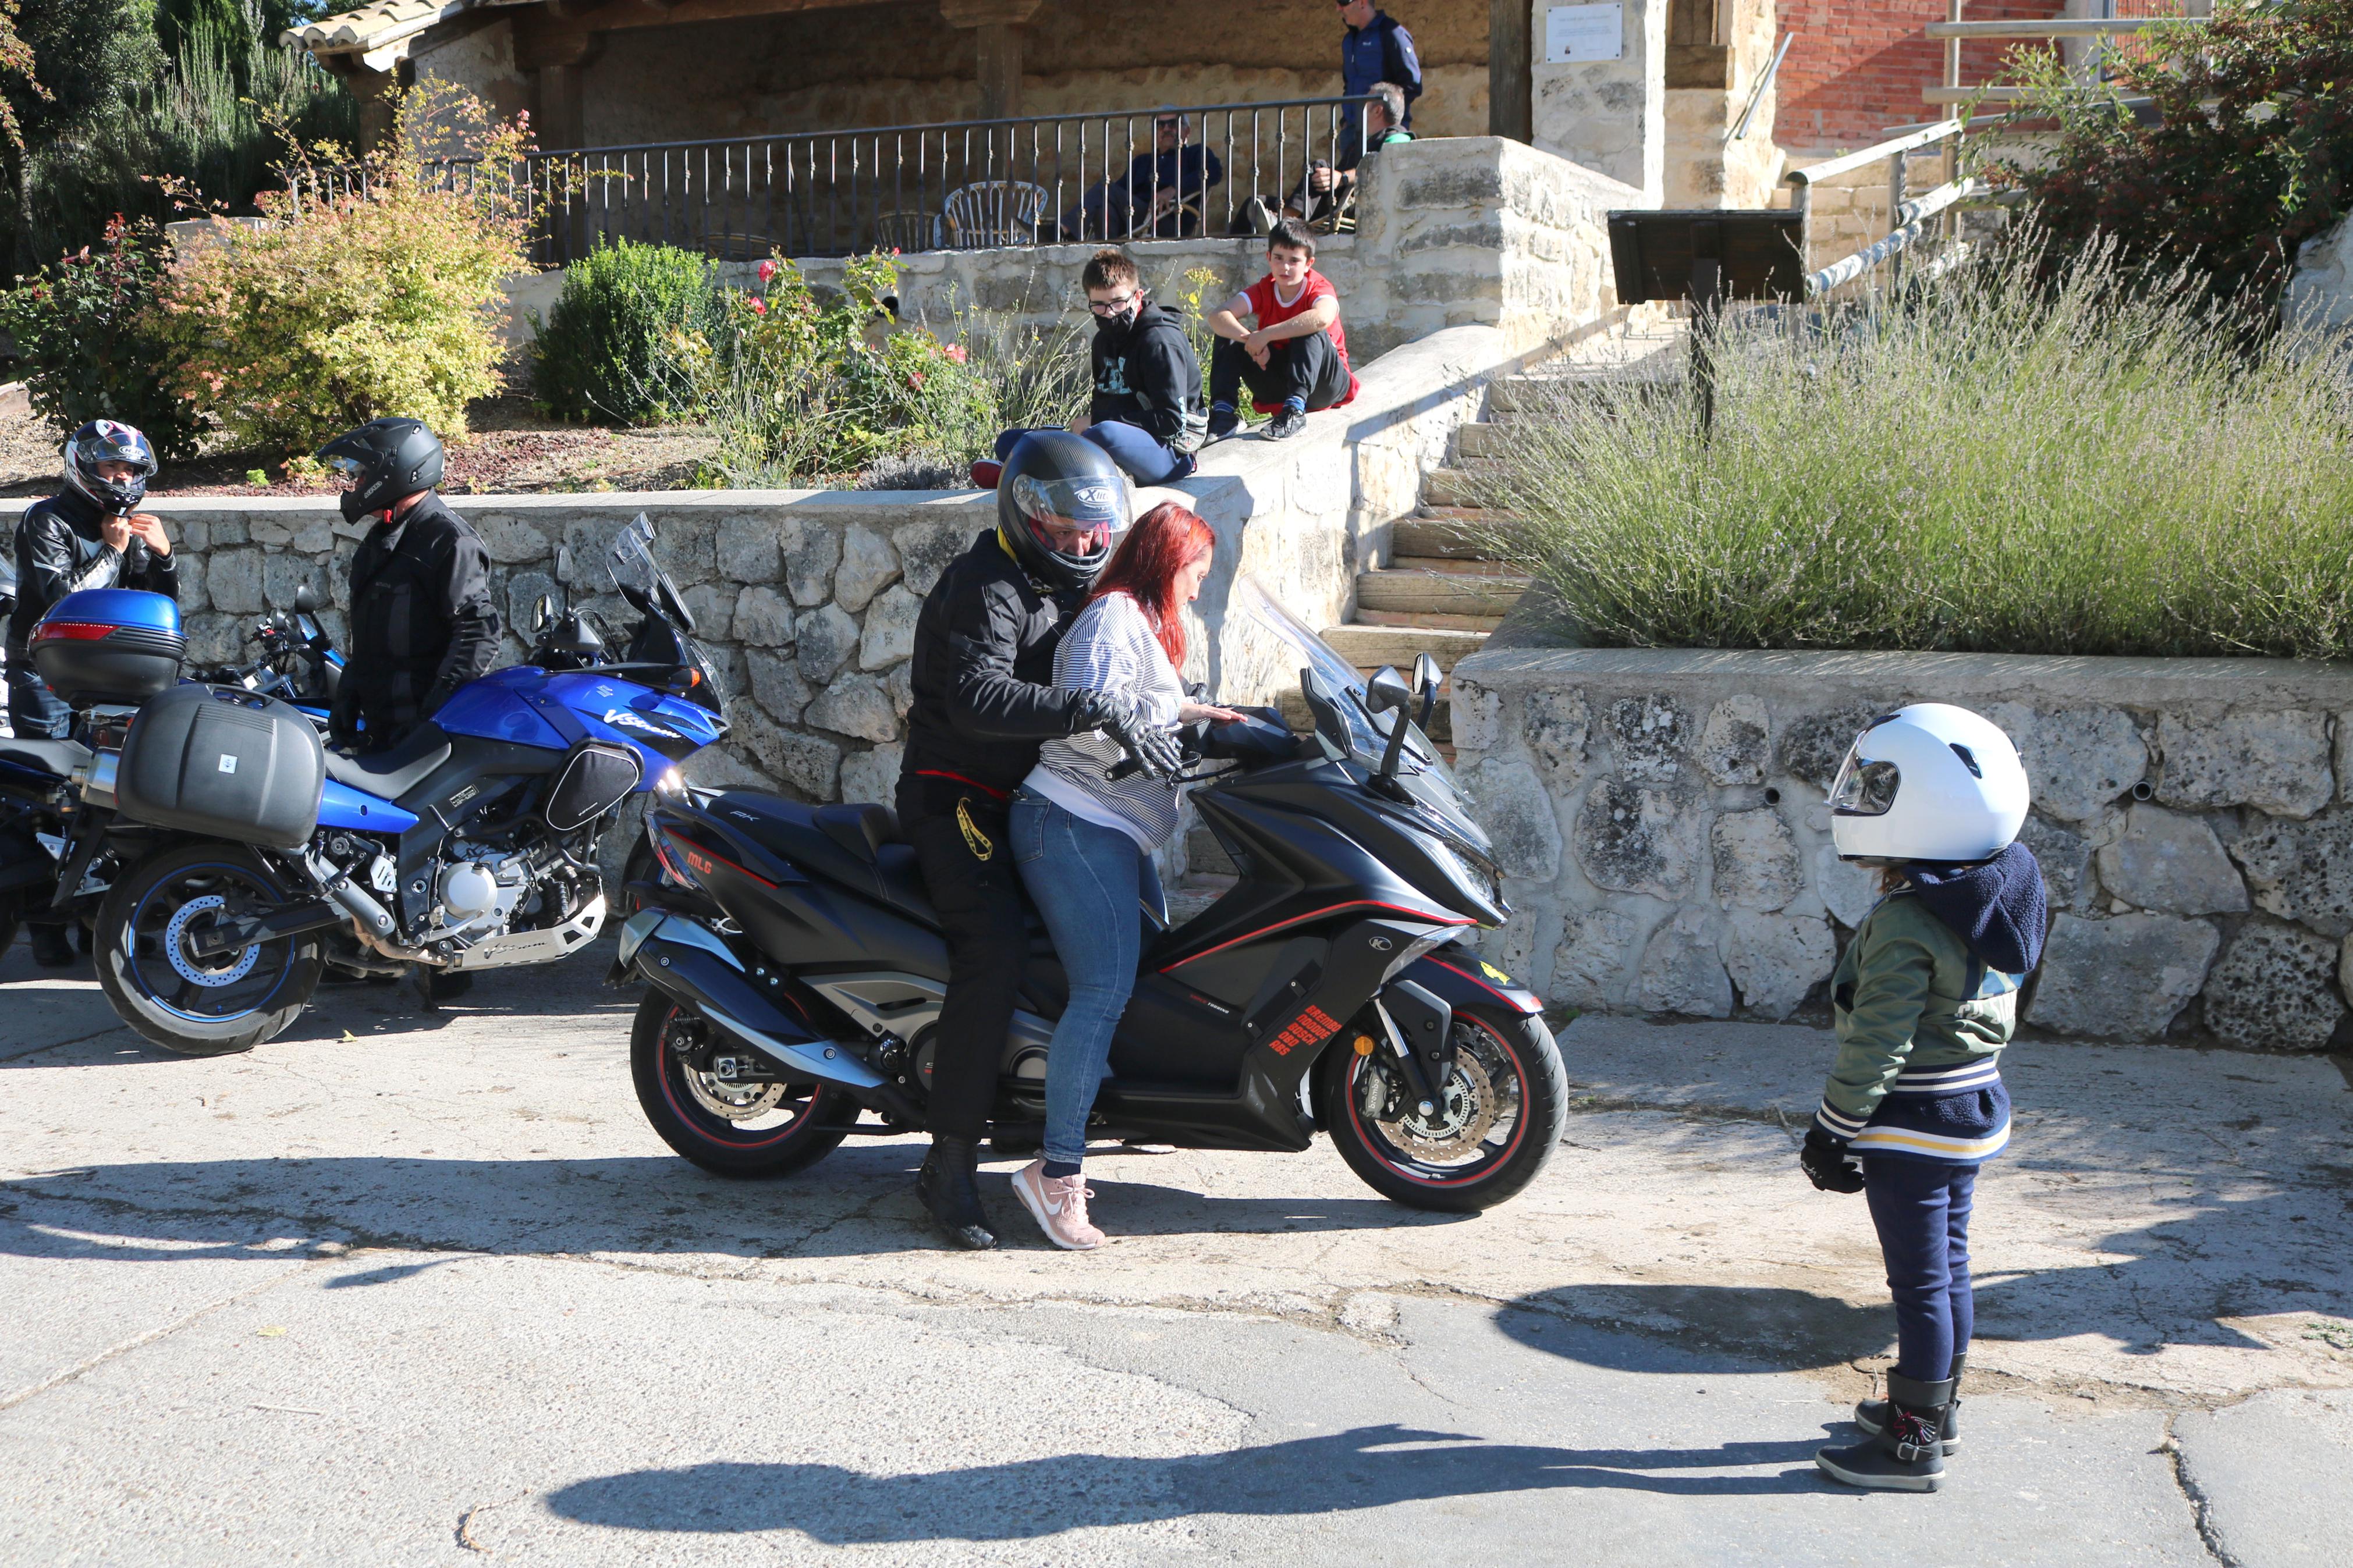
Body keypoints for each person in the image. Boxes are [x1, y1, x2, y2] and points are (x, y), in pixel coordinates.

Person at [898, 431, 1184, 1250]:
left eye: (1093, 534)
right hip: (958, 795)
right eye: (1063, 533)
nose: (1081, 547)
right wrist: (1089, 712)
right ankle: (948, 1164)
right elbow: (979, 697)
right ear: (1024, 518)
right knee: (991, 950)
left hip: (1038, 797)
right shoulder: (983, 583)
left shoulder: (1076, 587)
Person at [1801, 703, 2045, 1494]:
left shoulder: (1910, 921)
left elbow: (1879, 1044)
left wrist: (1831, 1131)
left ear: (1928, 805)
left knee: (1918, 1282)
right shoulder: (2001, 885)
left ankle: (1911, 1442)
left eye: (1879, 787)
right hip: (1969, 1108)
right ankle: (1931, 1406)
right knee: (1948, 1268)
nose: (1861, 801)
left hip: (1910, 1124)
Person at [1006, 502, 1240, 1248]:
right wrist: (1140, 734)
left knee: (1146, 971)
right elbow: (1091, 702)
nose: (1199, 590)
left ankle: (1125, 1110)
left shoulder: (1138, 621)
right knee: (1102, 988)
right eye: (1195, 574)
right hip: (1073, 821)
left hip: (1113, 830)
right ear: (1166, 562)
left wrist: (1214, 715)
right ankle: (1054, 1176)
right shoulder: (1111, 615)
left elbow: (1141, 706)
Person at [6, 420, 176, 968]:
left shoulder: (126, 525)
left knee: (117, 798)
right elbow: (62, 605)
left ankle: (105, 917)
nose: (122, 477)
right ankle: (47, 926)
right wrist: (110, 551)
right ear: (84, 466)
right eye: (111, 467)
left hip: (111, 676)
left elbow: (155, 606)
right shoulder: (46, 519)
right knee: (49, 801)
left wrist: (161, 556)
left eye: (129, 468)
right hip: (47, 675)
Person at [315, 417, 500, 753]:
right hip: (380, 731)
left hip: (424, 743)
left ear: (395, 470)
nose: (354, 485)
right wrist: (348, 692)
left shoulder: (449, 541)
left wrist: (432, 720)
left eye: (361, 475)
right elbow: (373, 634)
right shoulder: (382, 538)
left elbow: (477, 633)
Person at [977, 249, 1205, 489]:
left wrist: (1098, 421)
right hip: (1111, 441)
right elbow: (1102, 406)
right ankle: (1047, 471)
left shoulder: (1159, 342)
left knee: (1103, 435)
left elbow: (1172, 423)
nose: (1110, 314)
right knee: (1010, 441)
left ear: (1137, 297)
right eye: (1099, 307)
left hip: (1171, 452)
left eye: (1118, 303)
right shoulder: (1103, 342)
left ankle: (1034, 473)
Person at [1203, 219, 1361, 442]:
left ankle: (1295, 413)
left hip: (1325, 385)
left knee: (1308, 326)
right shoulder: (1265, 288)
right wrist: (1251, 340)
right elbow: (1217, 316)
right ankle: (1223, 414)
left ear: (1309, 263)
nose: (1285, 267)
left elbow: (1322, 317)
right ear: (1269, 258)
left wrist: (1266, 335)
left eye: (1294, 260)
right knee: (1228, 334)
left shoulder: (1319, 287)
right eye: (1278, 258)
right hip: (1281, 382)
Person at [1059, 109, 1225, 242]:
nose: (1166, 129)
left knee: (1105, 190)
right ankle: (1108, 259)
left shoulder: (1195, 153)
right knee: (1104, 206)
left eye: (1173, 124)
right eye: (1161, 125)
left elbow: (1214, 173)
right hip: (1136, 218)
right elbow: (1118, 191)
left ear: (1186, 131)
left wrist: (1173, 190)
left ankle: (1063, 231)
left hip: (1169, 220)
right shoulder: (1143, 161)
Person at [1283, 82, 1413, 230]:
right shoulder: (1362, 141)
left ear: (1377, 111)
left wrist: (1342, 178)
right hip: (1333, 203)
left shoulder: (1398, 138)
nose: (1360, 106)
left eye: (1366, 101)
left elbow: (1381, 166)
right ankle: (1282, 220)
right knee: (1255, 203)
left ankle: (1283, 224)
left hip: (1355, 206)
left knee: (1318, 167)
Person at [1339, 0, 1421, 129]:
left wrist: (1388, 118)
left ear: (1362, 3)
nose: (1339, 8)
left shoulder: (1391, 33)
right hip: (1352, 132)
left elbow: (1412, 84)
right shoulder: (1349, 40)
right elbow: (1349, 83)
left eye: (1344, 2)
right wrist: (1345, 121)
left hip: (1385, 132)